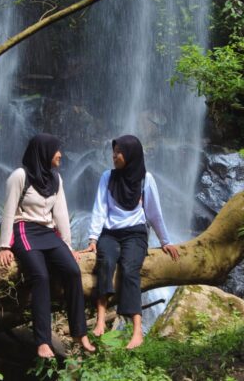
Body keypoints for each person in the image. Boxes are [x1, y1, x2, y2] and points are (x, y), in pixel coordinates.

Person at [0, 133, 95, 358]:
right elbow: (9, 210)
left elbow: (60, 213)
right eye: (56, 150)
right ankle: (42, 341)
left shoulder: (55, 178)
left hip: (48, 232)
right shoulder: (20, 176)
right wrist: (4, 246)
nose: (60, 154)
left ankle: (80, 332)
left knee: (72, 270)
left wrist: (68, 246)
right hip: (25, 229)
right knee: (40, 276)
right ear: (43, 152)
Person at [84, 135, 179, 349]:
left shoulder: (146, 179)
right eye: (114, 152)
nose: (114, 156)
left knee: (129, 269)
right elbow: (99, 209)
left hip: (135, 234)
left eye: (118, 152)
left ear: (130, 155)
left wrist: (166, 241)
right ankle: (100, 319)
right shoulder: (107, 177)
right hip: (110, 233)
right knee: (106, 261)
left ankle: (137, 331)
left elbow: (155, 213)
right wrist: (93, 239)